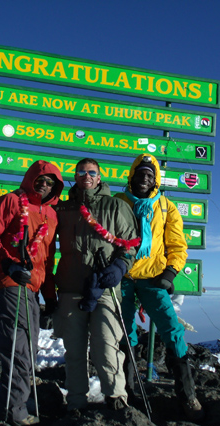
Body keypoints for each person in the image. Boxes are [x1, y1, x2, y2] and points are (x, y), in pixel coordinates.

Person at [115, 153, 204, 421]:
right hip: (124, 278)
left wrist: (171, 271)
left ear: (155, 180)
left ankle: (188, 395)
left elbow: (177, 244)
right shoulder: (118, 203)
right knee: (125, 334)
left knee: (172, 329)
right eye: (140, 173)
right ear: (132, 175)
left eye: (149, 175)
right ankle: (127, 394)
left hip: (154, 279)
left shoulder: (166, 206)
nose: (144, 178)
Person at [0, 160, 63, 426]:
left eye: (50, 182)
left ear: (56, 186)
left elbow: (47, 259)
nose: (45, 185)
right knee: (18, 351)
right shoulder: (10, 201)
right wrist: (7, 263)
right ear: (30, 180)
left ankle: (9, 406)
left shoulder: (52, 214)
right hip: (9, 282)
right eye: (40, 180)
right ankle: (13, 413)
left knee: (28, 349)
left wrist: (50, 296)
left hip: (33, 289)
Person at [53, 158, 139, 411]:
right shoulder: (65, 209)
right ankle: (76, 403)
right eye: (81, 171)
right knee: (75, 351)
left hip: (106, 288)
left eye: (92, 172)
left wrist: (120, 267)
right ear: (76, 176)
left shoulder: (116, 206)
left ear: (99, 177)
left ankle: (116, 399)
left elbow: (131, 245)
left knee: (106, 346)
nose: (86, 176)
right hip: (70, 287)